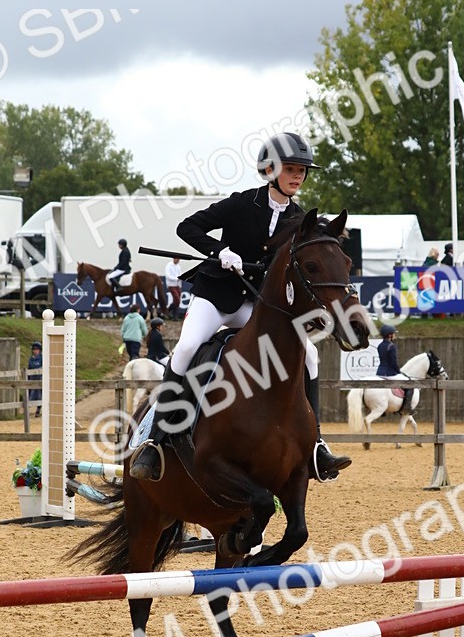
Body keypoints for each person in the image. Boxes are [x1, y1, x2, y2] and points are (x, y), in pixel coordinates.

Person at [129, 130, 350, 482]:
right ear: (269, 170)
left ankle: (316, 445)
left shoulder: (300, 221)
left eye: (302, 170)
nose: (298, 176)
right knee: (185, 348)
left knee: (310, 355)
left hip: (256, 303)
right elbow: (188, 227)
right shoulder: (242, 203)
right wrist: (220, 252)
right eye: (291, 168)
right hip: (216, 297)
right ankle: (156, 443)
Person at [376, 325, 413, 413]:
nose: (395, 335)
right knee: (410, 384)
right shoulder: (391, 346)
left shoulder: (380, 345)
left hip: (379, 372)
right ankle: (407, 407)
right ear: (390, 335)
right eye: (393, 334)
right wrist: (398, 372)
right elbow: (393, 361)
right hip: (389, 373)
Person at [27, 341, 43, 417]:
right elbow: (29, 368)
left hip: (40, 378)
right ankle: (27, 409)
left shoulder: (42, 357)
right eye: (34, 349)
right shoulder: (31, 359)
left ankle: (38, 410)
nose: (35, 350)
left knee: (40, 394)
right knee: (31, 393)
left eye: (37, 349)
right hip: (32, 378)